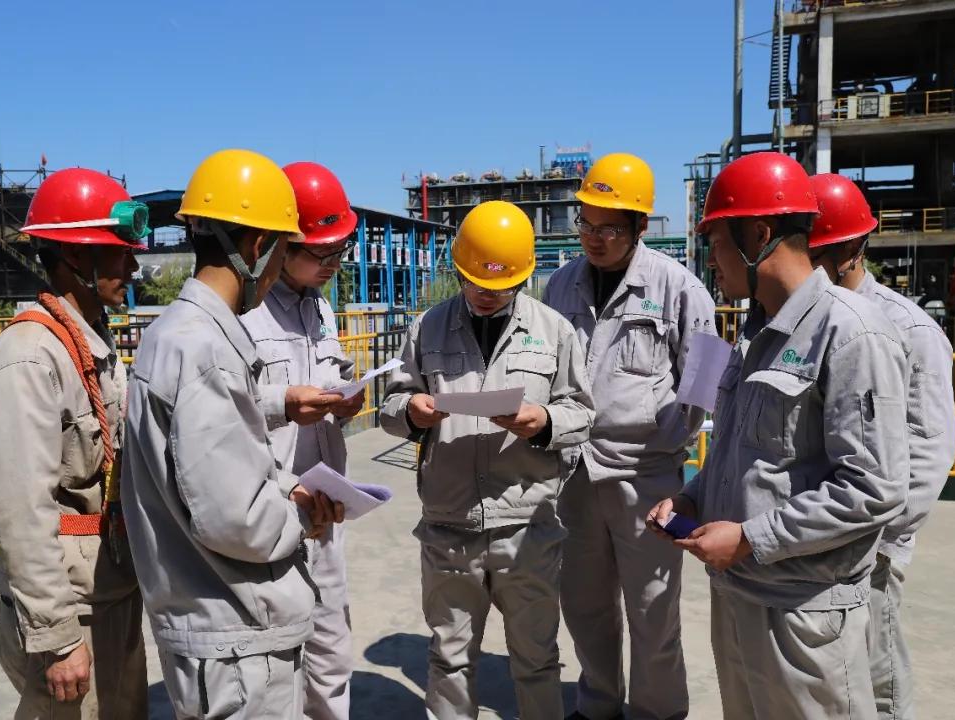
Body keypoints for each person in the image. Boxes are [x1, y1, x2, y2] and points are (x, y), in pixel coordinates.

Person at [648, 152, 909, 720]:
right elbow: (744, 453)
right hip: (738, 597)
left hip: (804, 616)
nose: (711, 262)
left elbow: (875, 488)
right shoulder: (754, 333)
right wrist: (693, 498)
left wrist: (750, 537)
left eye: (717, 243)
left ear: (759, 235)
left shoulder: (851, 333)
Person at [121, 149, 342, 720]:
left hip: (213, 631)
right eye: (282, 251)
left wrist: (284, 486)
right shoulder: (206, 349)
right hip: (237, 640)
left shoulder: (171, 334)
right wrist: (302, 512)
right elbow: (238, 520)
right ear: (258, 246)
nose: (277, 270)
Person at [380, 200, 595, 720]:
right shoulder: (428, 328)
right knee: (449, 660)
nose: (485, 293)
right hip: (449, 526)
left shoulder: (554, 331)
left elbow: (583, 414)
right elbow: (390, 405)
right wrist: (410, 411)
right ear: (459, 269)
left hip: (527, 526)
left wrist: (544, 422)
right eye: (475, 282)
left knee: (537, 659)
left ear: (521, 277)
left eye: (500, 286)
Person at [541, 153, 715, 720]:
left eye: (609, 227)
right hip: (575, 474)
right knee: (584, 604)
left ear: (640, 226)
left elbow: (705, 380)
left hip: (647, 478)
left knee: (653, 608)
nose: (594, 238)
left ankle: (656, 711)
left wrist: (668, 440)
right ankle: (598, 705)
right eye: (586, 223)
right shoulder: (560, 285)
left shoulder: (680, 288)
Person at [0, 167, 149, 719]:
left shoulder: (90, 344)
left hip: (108, 593)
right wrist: (57, 638)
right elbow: (20, 514)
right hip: (71, 614)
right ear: (75, 255)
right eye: (119, 253)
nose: (133, 266)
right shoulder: (27, 359)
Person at [807, 172, 955, 720]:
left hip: (870, 540)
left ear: (849, 249)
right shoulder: (802, 317)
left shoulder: (907, 328)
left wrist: (883, 537)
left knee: (878, 670)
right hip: (815, 533)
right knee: (830, 676)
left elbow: (929, 448)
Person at [241, 161, 363, 720]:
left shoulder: (321, 307)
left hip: (325, 505)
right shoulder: (243, 315)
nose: (333, 263)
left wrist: (349, 397)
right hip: (271, 508)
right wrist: (282, 402)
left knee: (332, 645)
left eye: (341, 250)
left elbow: (331, 374)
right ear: (279, 246)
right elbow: (216, 412)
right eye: (322, 252)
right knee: (273, 659)